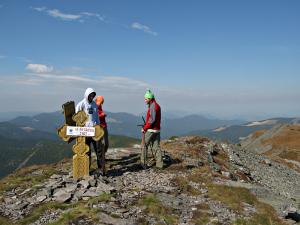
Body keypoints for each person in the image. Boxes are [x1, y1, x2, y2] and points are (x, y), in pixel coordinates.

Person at [75, 88, 101, 170]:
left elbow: (96, 116)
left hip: (94, 130)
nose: (92, 96)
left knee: (98, 149)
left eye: (93, 95)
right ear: (87, 95)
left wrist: (98, 126)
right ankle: (87, 168)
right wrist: (79, 128)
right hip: (85, 131)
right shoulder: (81, 104)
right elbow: (77, 117)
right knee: (87, 151)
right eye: (90, 95)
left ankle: (100, 167)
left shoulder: (94, 104)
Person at [141, 90, 163, 168]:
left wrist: (145, 128)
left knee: (144, 145)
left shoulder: (153, 106)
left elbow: (152, 119)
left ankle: (143, 163)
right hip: (157, 130)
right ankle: (159, 165)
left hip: (151, 130)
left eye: (146, 99)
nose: (145, 100)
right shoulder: (156, 105)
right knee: (156, 147)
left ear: (150, 98)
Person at [95, 96, 109, 173]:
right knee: (99, 146)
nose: (101, 103)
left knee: (106, 144)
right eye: (100, 101)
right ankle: (100, 163)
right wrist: (102, 115)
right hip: (99, 127)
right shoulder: (95, 106)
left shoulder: (99, 106)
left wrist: (102, 115)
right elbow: (94, 116)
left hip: (104, 126)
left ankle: (102, 157)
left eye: (101, 102)